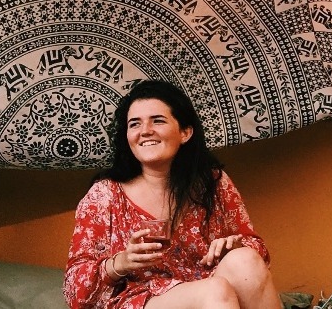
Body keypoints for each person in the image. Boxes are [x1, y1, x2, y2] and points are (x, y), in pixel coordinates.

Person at [64, 79, 281, 309]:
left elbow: (258, 251)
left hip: (211, 288)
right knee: (214, 291)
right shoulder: (104, 195)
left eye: (157, 120)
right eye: (135, 124)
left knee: (244, 259)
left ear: (185, 132)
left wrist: (233, 248)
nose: (145, 131)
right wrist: (121, 263)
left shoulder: (213, 182)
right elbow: (74, 291)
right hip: (143, 300)